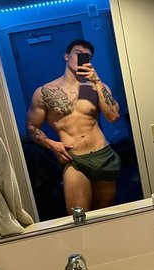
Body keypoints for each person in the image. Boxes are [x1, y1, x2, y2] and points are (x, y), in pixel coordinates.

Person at [26, 39, 121, 214]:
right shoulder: (44, 92)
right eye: (78, 53)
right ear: (66, 56)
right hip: (74, 159)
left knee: (105, 217)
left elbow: (113, 116)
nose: (82, 58)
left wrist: (97, 81)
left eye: (87, 56)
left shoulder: (97, 87)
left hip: (104, 154)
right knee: (79, 218)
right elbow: (32, 127)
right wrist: (51, 144)